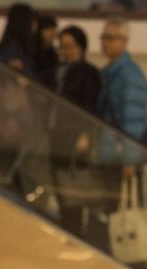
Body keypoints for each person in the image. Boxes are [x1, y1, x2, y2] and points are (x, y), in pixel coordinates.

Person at [96, 16, 147, 269]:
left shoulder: (129, 77)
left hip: (121, 157)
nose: (105, 43)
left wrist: (130, 159)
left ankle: (131, 267)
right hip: (111, 154)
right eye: (103, 37)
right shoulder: (112, 73)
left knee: (121, 217)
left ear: (124, 41)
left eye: (111, 38)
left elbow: (133, 119)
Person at [50, 24, 102, 239]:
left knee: (73, 184)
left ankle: (73, 230)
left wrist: (84, 135)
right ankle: (65, 224)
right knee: (58, 181)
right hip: (56, 132)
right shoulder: (58, 69)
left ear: (80, 47)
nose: (66, 51)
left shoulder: (88, 73)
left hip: (73, 134)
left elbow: (89, 106)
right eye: (63, 46)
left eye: (70, 46)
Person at [0, 3, 37, 192]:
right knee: (11, 164)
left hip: (4, 113)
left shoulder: (7, 46)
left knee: (3, 164)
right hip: (13, 114)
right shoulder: (16, 49)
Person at [31, 13, 57, 89]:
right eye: (49, 30)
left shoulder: (53, 53)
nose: (53, 34)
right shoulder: (31, 52)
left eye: (54, 29)